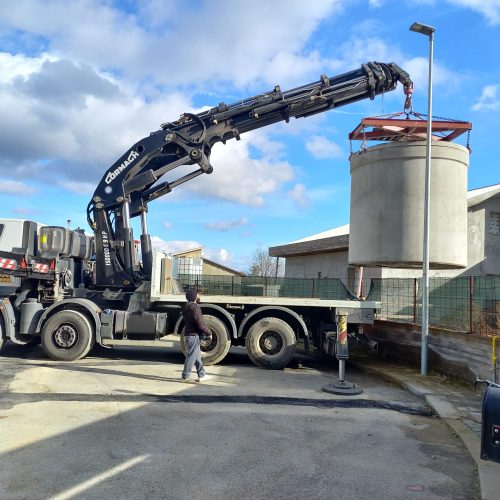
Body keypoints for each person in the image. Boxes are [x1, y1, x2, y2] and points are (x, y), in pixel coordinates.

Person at [180, 289, 212, 383]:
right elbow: (200, 324)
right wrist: (209, 332)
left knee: (197, 356)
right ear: (194, 297)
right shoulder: (195, 308)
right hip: (193, 335)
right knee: (191, 356)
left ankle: (201, 375)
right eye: (197, 294)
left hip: (190, 334)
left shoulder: (186, 307)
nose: (198, 296)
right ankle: (185, 376)